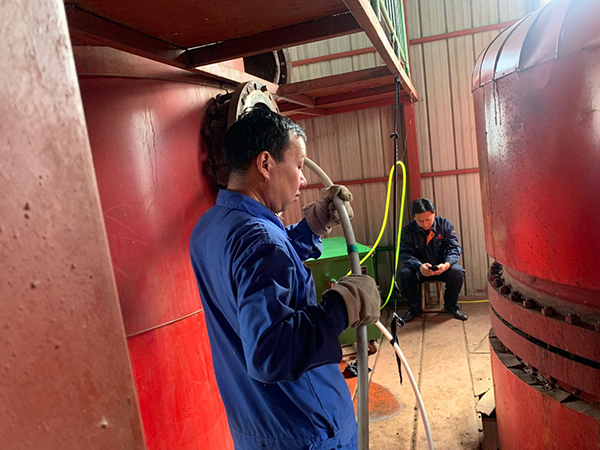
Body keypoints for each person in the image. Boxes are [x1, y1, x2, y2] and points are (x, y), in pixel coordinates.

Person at [189, 107, 380, 450]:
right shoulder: (262, 241)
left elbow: (261, 263)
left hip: (257, 425)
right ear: (265, 164)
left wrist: (313, 225)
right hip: (307, 426)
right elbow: (271, 351)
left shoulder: (209, 227)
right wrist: (342, 306)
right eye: (299, 165)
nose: (303, 179)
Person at [398, 197, 467, 323]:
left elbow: (454, 248)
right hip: (419, 270)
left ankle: (451, 306)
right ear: (414, 217)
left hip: (442, 268)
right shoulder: (408, 231)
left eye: (428, 219)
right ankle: (414, 309)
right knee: (404, 274)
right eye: (420, 221)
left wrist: (446, 265)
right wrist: (419, 266)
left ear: (434, 213)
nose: (425, 224)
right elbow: (405, 254)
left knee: (457, 272)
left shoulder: (444, 225)